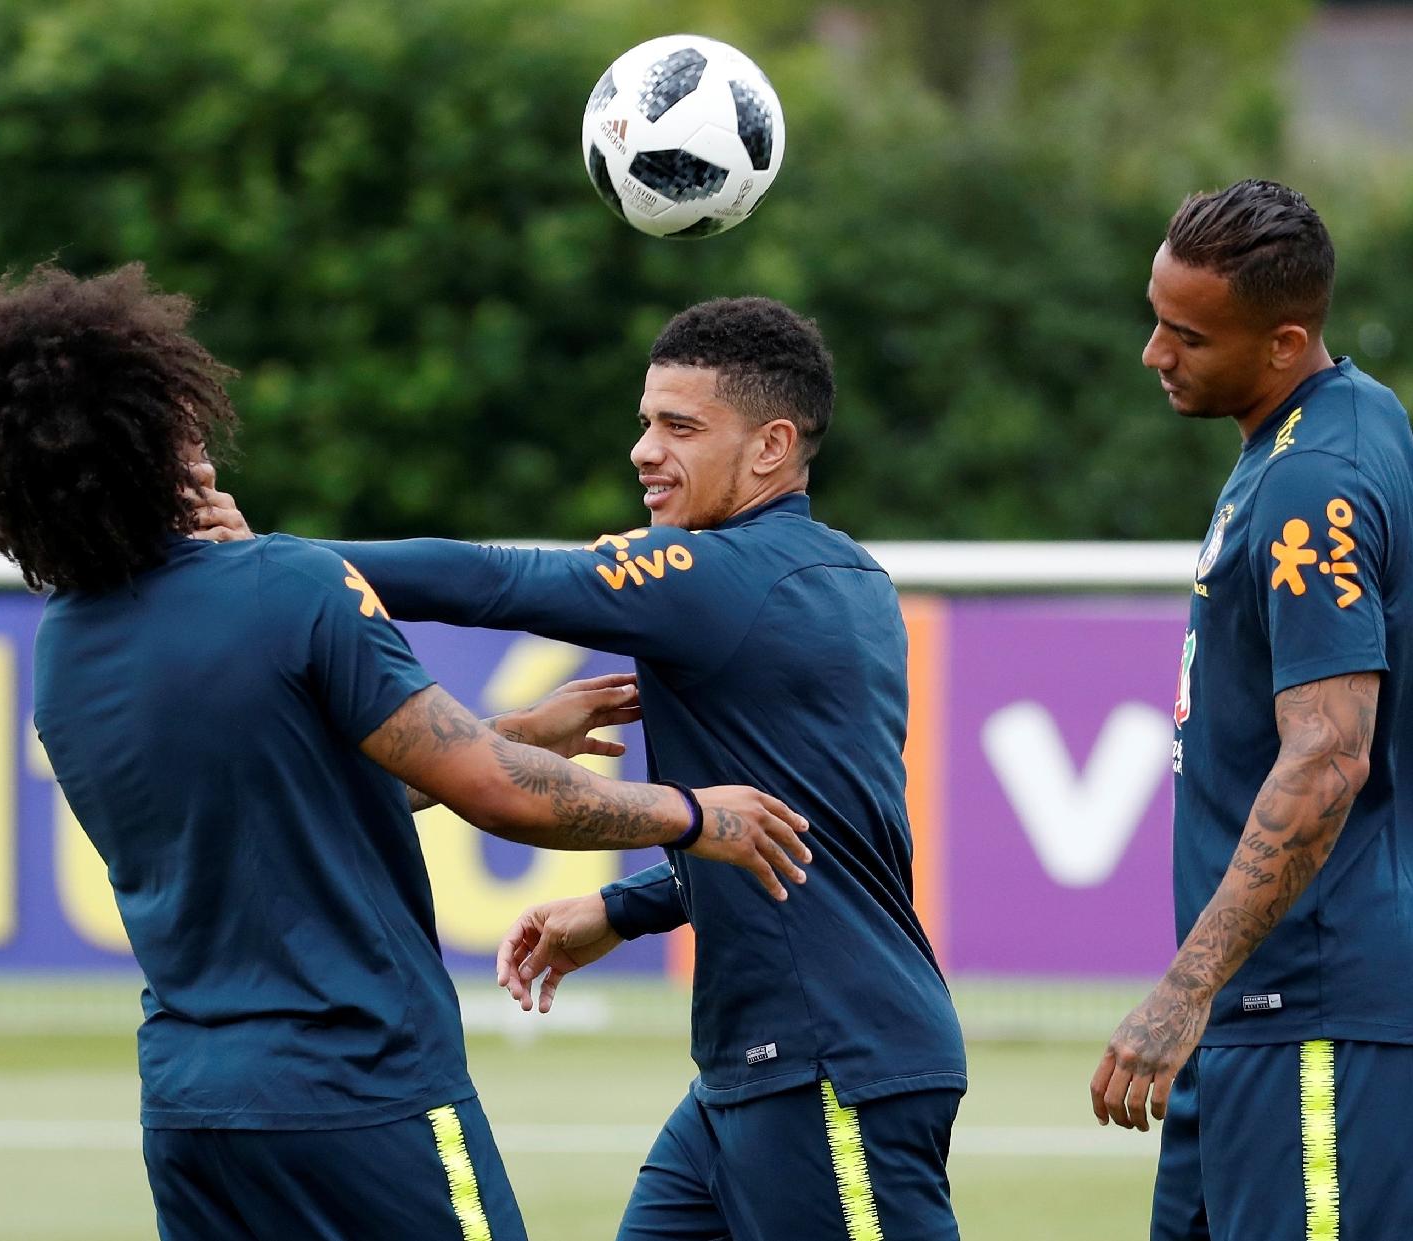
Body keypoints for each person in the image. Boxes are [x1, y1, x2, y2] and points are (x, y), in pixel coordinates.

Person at [0, 263, 812, 1241]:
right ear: (158, 431)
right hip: (362, 1087)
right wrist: (694, 814)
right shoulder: (287, 586)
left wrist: (513, 733)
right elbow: (495, 795)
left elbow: (298, 799)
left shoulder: (66, 646)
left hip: (192, 1111)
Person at [196, 296, 968, 1239]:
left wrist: (267, 563)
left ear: (770, 447)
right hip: (758, 1072)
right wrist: (622, 907)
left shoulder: (719, 575)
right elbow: (788, 828)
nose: (644, 449)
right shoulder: (847, 576)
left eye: (679, 427)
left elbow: (493, 579)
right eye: (645, 421)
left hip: (829, 1064)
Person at [1088, 180, 1413, 1239]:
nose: (1154, 352)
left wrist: (1182, 990)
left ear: (1283, 340)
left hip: (1307, 1019)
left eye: (1185, 333)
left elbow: (1329, 757)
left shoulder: (1314, 477)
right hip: (1279, 1015)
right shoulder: (1348, 416)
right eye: (1156, 316)